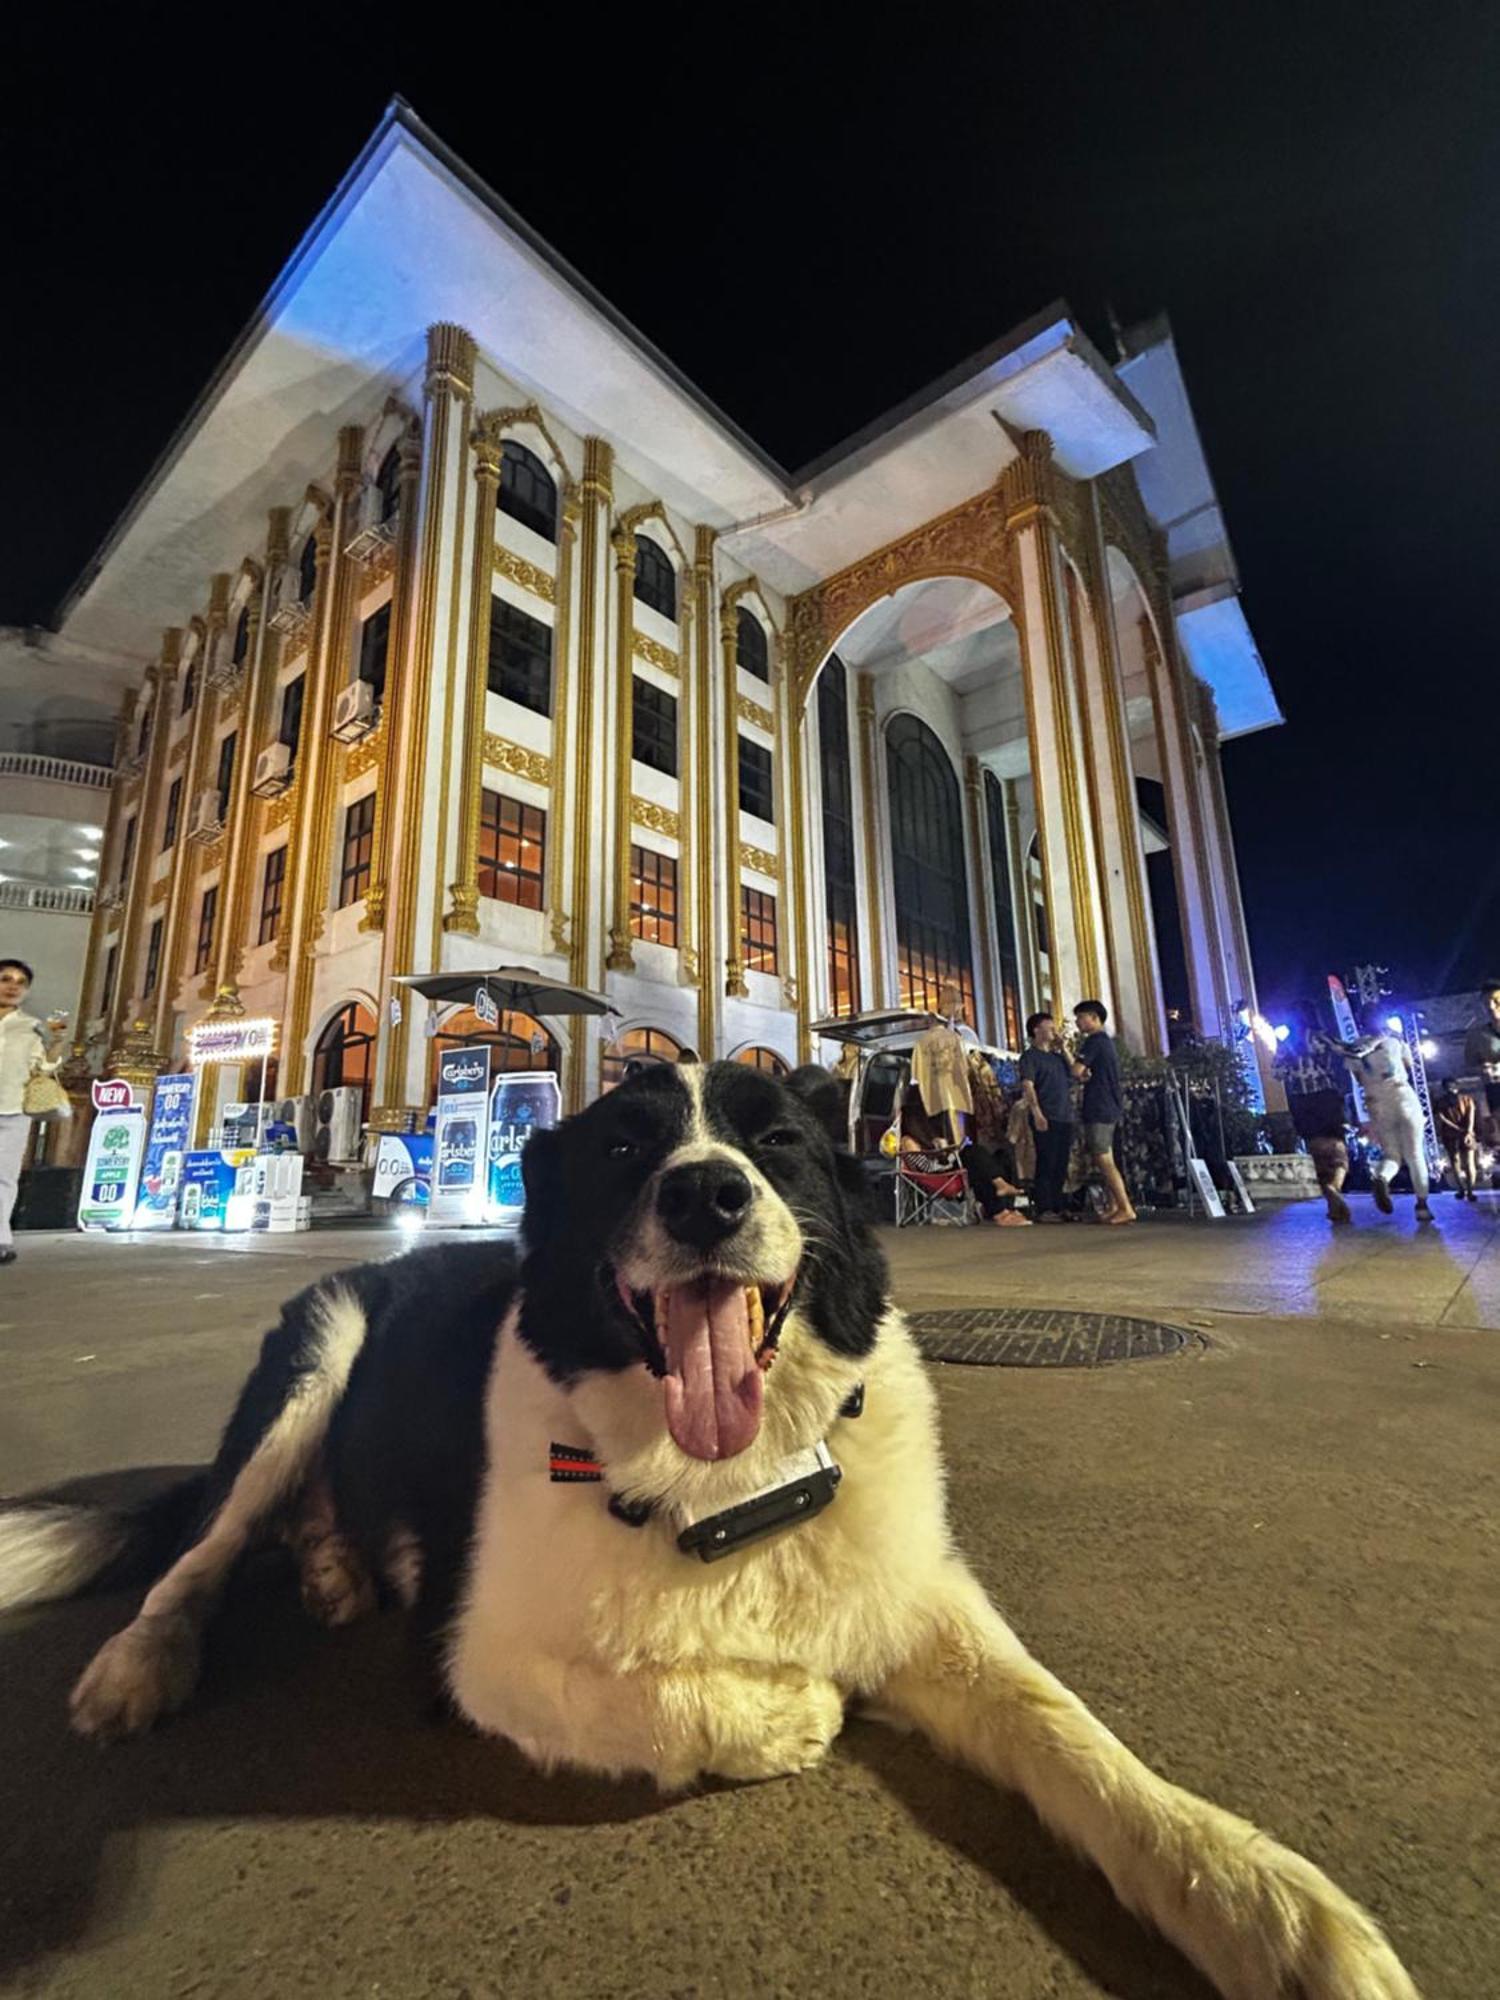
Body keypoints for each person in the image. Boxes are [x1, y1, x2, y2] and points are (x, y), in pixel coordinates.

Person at [1315, 1011, 1433, 1223]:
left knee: (1392, 1154)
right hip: (1403, 1095)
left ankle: (1381, 1177)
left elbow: (1359, 1079)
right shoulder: (1395, 1041)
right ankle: (1422, 1206)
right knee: (1415, 1155)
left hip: (1377, 1102)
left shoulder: (1354, 1049)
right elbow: (1408, 1065)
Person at [0, 958, 66, 1266]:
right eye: (5, 979)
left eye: (20, 982)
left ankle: (1, 1239)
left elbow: (45, 1068)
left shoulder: (32, 1026)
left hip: (14, 1108)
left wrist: (56, 1044)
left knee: (4, 1176)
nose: (12, 986)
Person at [898, 1085, 1029, 1227]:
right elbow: (925, 1168)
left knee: (999, 1157)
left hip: (946, 1167)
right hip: (937, 1175)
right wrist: (950, 1156)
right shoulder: (908, 1140)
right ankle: (1001, 1205)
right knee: (972, 1154)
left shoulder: (930, 1137)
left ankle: (1005, 1208)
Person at [1071, 999, 1136, 1226]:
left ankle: (1125, 1207)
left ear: (1094, 1018)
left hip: (1099, 1105)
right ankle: (1114, 1206)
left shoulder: (1094, 1041)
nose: (1078, 1022)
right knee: (1106, 1157)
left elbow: (1077, 1071)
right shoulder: (1106, 1042)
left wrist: (1067, 1057)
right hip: (1110, 1104)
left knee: (1103, 1158)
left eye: (1081, 1017)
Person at [1018, 1010, 1075, 1222]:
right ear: (1036, 1030)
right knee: (1046, 1161)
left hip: (1065, 1114)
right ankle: (1045, 1208)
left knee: (1061, 1162)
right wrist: (1037, 1112)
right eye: (1048, 1027)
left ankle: (1059, 1205)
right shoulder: (1030, 1057)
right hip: (1046, 1114)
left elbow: (1076, 1072)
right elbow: (1028, 1086)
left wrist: (1064, 1047)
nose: (1053, 1030)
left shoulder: (1057, 1058)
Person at [1462, 979, 1500, 1151]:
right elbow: (1469, 1065)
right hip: (1496, 1090)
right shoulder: (1477, 1035)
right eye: (1486, 1004)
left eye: (1496, 1001)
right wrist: (1482, 1069)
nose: (1491, 1007)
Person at [1433, 1076, 1479, 1203]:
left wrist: (1462, 1130)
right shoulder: (1466, 1099)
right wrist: (1468, 1131)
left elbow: (1442, 1118)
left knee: (1458, 1162)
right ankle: (1468, 1191)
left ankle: (1464, 1190)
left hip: (1452, 1134)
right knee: (1464, 1162)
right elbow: (1471, 1116)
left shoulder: (1442, 1101)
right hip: (1460, 1134)